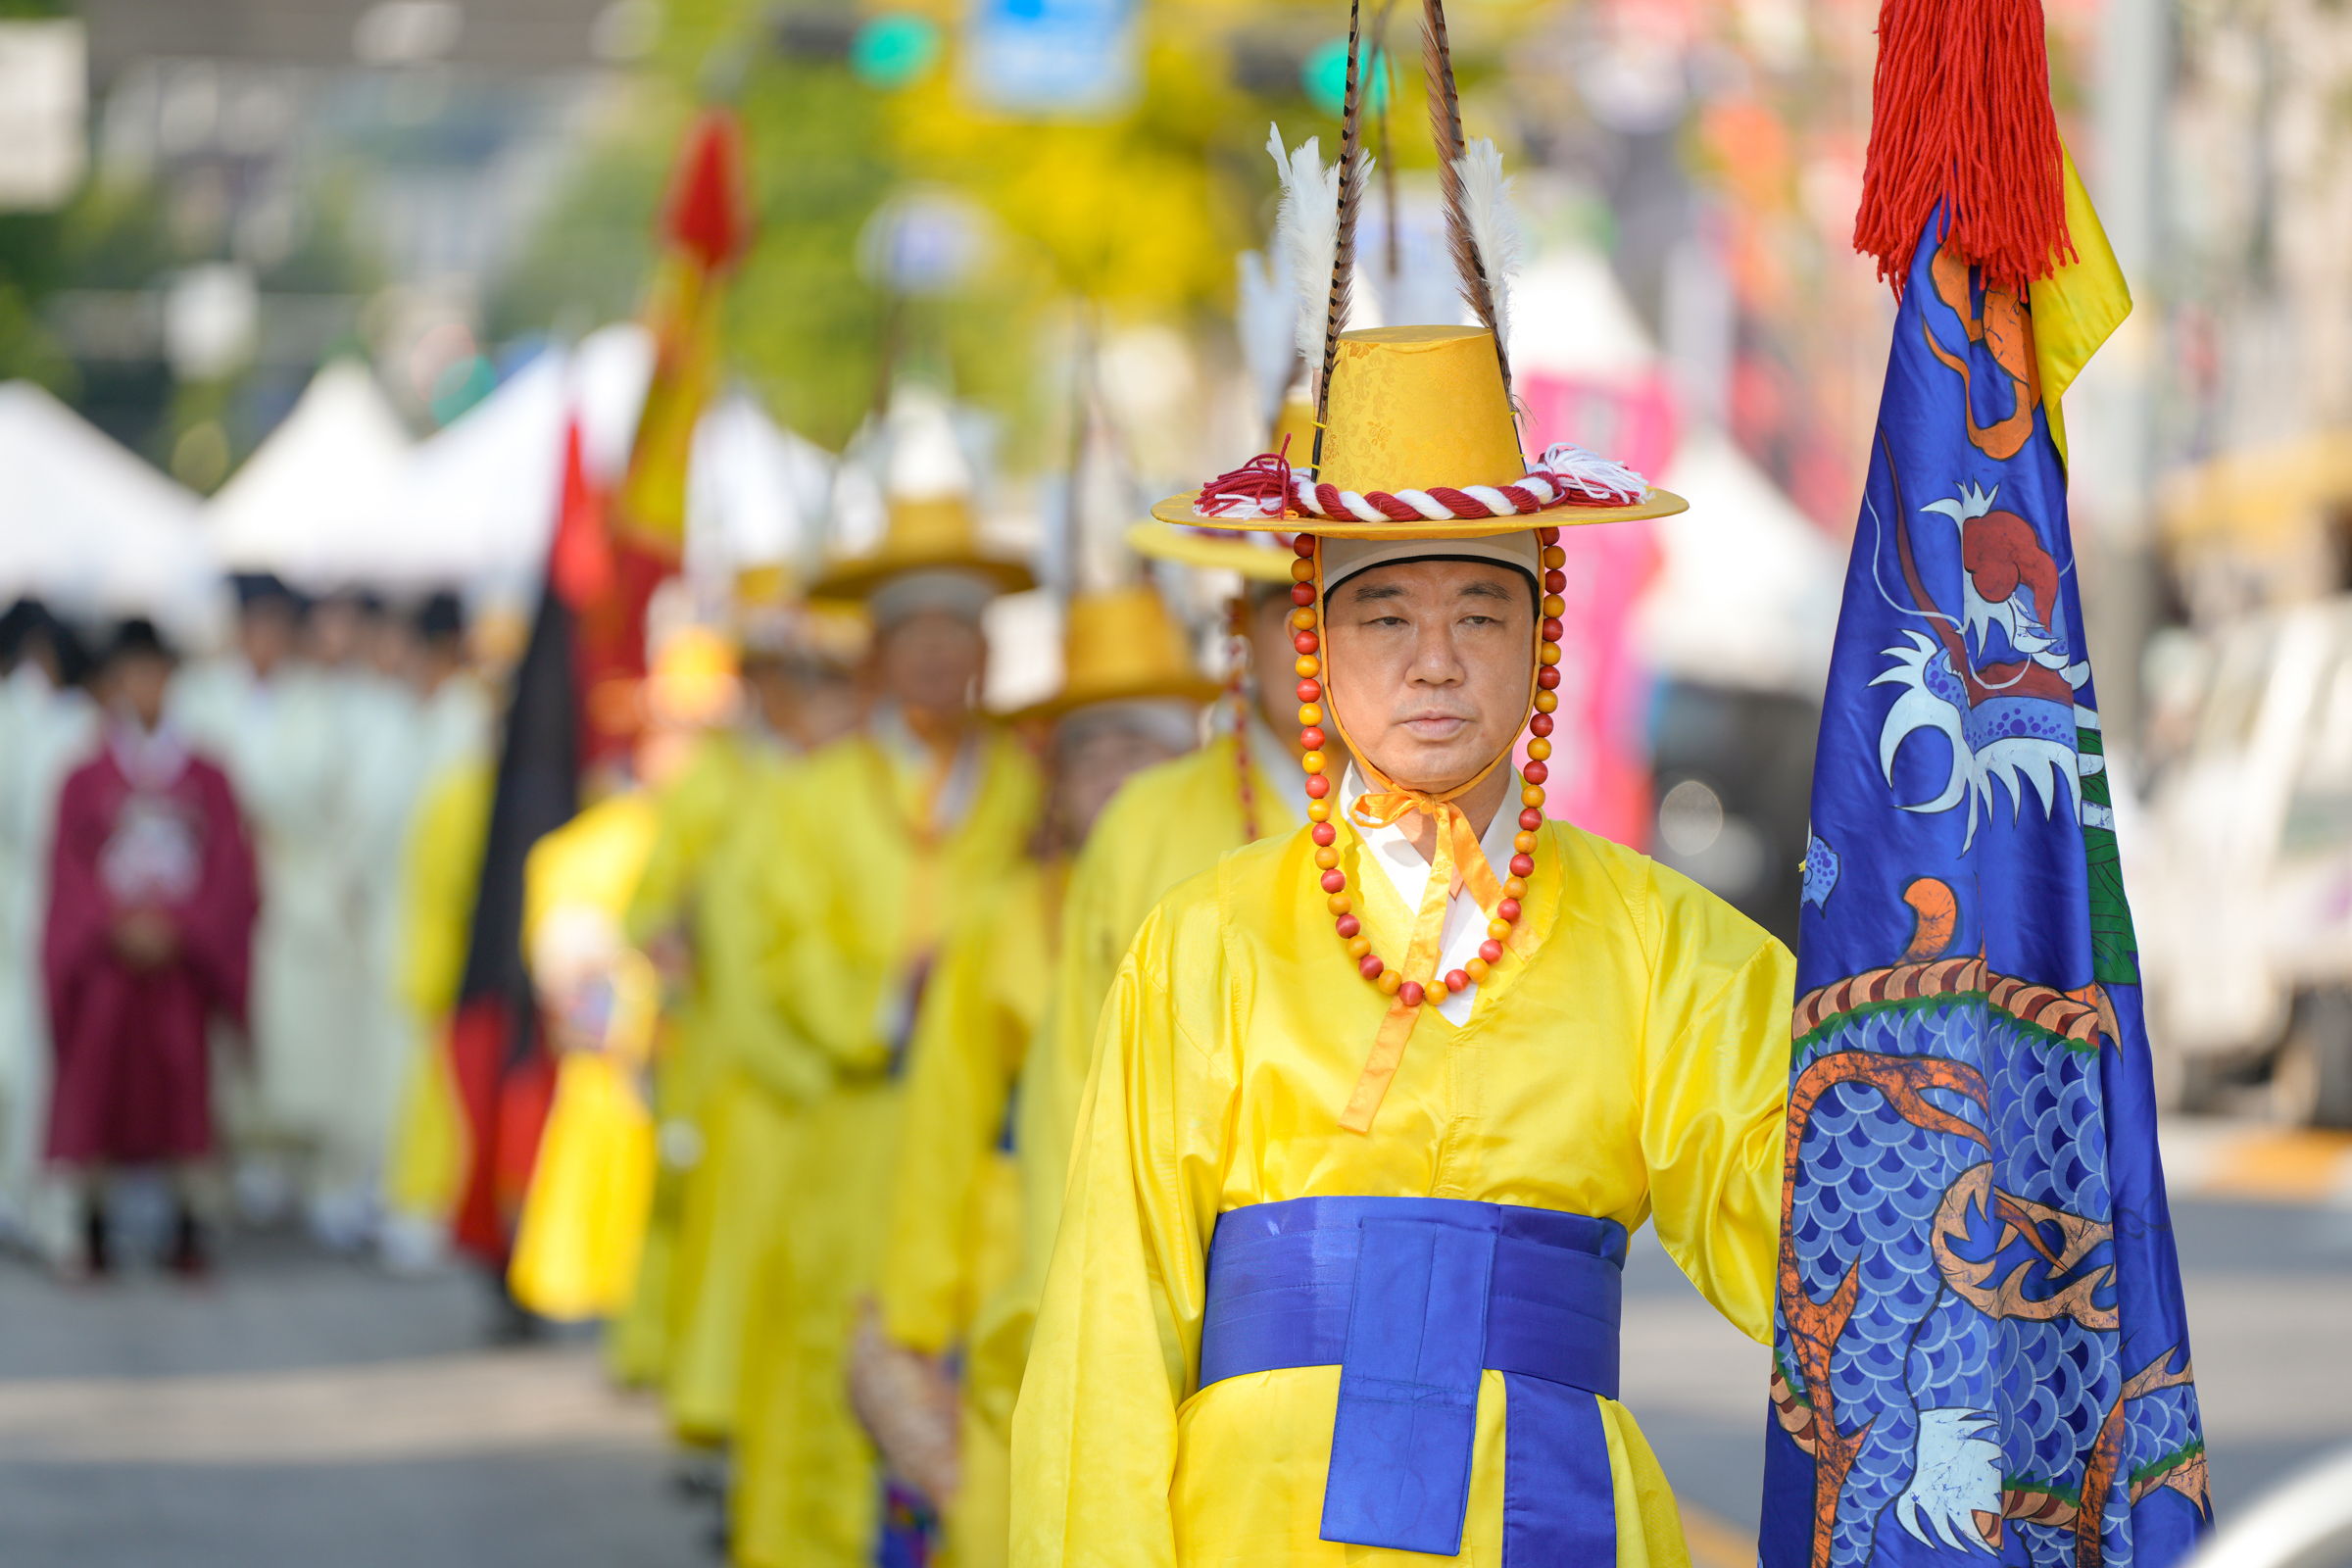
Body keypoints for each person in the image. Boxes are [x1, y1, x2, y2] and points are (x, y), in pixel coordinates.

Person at [1011, 312, 1785, 1566]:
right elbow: (1113, 1317)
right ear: (1314, 644)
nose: (1435, 662)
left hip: (1555, 1511)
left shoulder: (1666, 942)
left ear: (1542, 639)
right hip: (1255, 1522)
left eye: (1480, 614)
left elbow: (1812, 1219)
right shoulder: (1203, 939)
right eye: (1383, 618)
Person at [858, 584, 1217, 1568]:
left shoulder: (1227, 903)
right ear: (1055, 777)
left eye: (1140, 749)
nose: (1116, 775)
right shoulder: (1001, 923)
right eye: (1091, 752)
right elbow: (944, 1126)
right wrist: (914, 1317)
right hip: (1022, 1269)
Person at [717, 488, 1040, 1568]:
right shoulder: (811, 795)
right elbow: (775, 949)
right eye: (916, 632)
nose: (939, 654)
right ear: (879, 653)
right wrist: (895, 996)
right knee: (833, 1350)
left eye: (960, 631)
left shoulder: (1028, 787)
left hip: (990, 1142)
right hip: (857, 1123)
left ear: (988, 651)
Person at [617, 589, 866, 1397]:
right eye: (790, 676)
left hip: (837, 1057)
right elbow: (649, 906)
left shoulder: (859, 785)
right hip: (734, 1056)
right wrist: (675, 930)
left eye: (824, 680)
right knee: (726, 1231)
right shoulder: (717, 780)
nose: (806, 697)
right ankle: (714, 1398)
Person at [43, 619, 258, 1277]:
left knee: (184, 1081)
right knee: (98, 1079)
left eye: (154, 674)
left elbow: (229, 867)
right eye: (131, 675)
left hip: (180, 960)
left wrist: (181, 928)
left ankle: (190, 1222)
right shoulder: (85, 776)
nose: (143, 687)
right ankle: (92, 1223)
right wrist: (113, 924)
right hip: (108, 958)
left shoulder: (206, 774)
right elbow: (68, 870)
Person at [170, 574, 355, 1230]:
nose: (265, 641)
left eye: (276, 628)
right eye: (256, 627)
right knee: (221, 1035)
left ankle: (295, 1166)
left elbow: (335, 800)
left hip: (295, 885)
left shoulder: (318, 702)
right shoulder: (198, 694)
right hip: (216, 889)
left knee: (297, 1033)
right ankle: (220, 1166)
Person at [0, 600, 96, 1257]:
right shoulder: (28, 720)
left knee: (46, 1060)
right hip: (25, 903)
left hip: (55, 907)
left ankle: (50, 1202)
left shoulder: (74, 724)